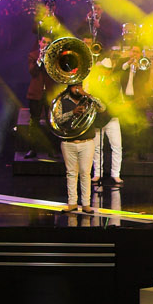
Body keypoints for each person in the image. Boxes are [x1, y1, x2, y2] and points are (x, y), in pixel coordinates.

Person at [53, 80, 98, 214]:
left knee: (85, 173)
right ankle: (72, 203)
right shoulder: (62, 100)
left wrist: (88, 95)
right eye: (75, 87)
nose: (78, 89)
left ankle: (86, 204)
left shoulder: (88, 100)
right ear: (70, 87)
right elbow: (58, 119)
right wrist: (72, 112)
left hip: (86, 142)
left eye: (80, 86)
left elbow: (103, 107)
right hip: (69, 142)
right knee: (71, 173)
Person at [90, 59, 125, 190]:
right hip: (98, 119)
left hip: (112, 118)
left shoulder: (116, 84)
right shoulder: (95, 83)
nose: (106, 71)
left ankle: (115, 174)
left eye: (108, 69)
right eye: (104, 68)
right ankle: (97, 173)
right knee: (97, 147)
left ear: (110, 70)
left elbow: (120, 101)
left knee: (116, 146)